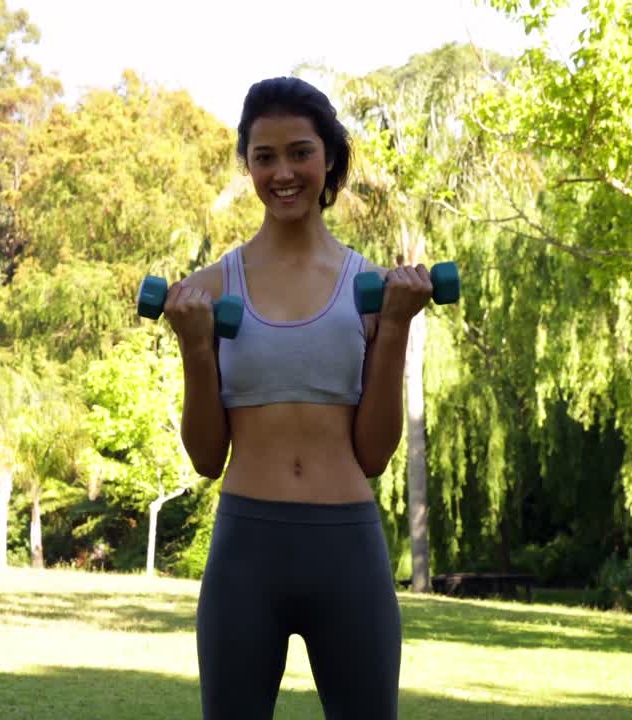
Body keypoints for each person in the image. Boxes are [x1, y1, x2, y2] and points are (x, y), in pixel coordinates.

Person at [161, 76, 433, 720]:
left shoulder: (371, 288)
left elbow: (371, 455)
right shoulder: (209, 291)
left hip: (347, 552)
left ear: (330, 158)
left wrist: (394, 327)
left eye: (300, 152)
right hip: (245, 554)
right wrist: (195, 349)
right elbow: (205, 458)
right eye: (265, 157)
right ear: (248, 166)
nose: (283, 172)